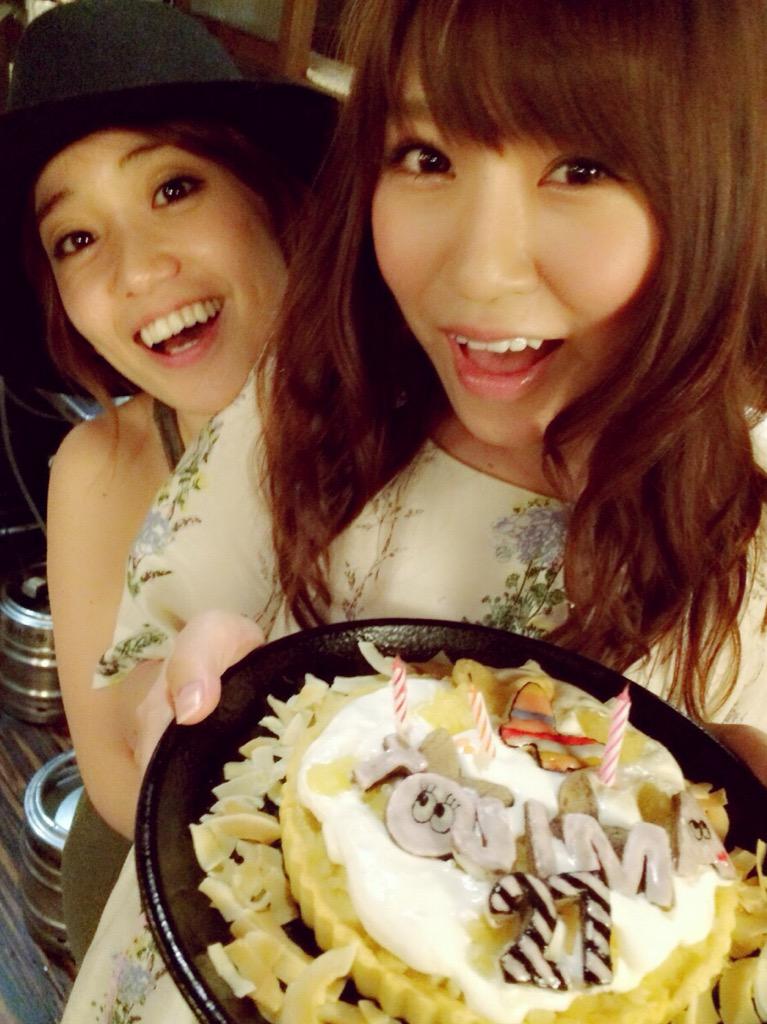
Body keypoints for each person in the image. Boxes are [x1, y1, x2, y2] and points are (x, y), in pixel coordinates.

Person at [59, 0, 767, 1015]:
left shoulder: (748, 530)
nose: (475, 268)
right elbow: (145, 695)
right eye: (426, 156)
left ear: (720, 184)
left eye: (581, 166)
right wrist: (181, 711)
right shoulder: (303, 399)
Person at [0, 0, 335, 963]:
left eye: (174, 187)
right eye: (76, 239)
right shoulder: (98, 466)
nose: (139, 271)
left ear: (273, 195)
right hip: (164, 908)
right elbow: (115, 774)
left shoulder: (435, 433)